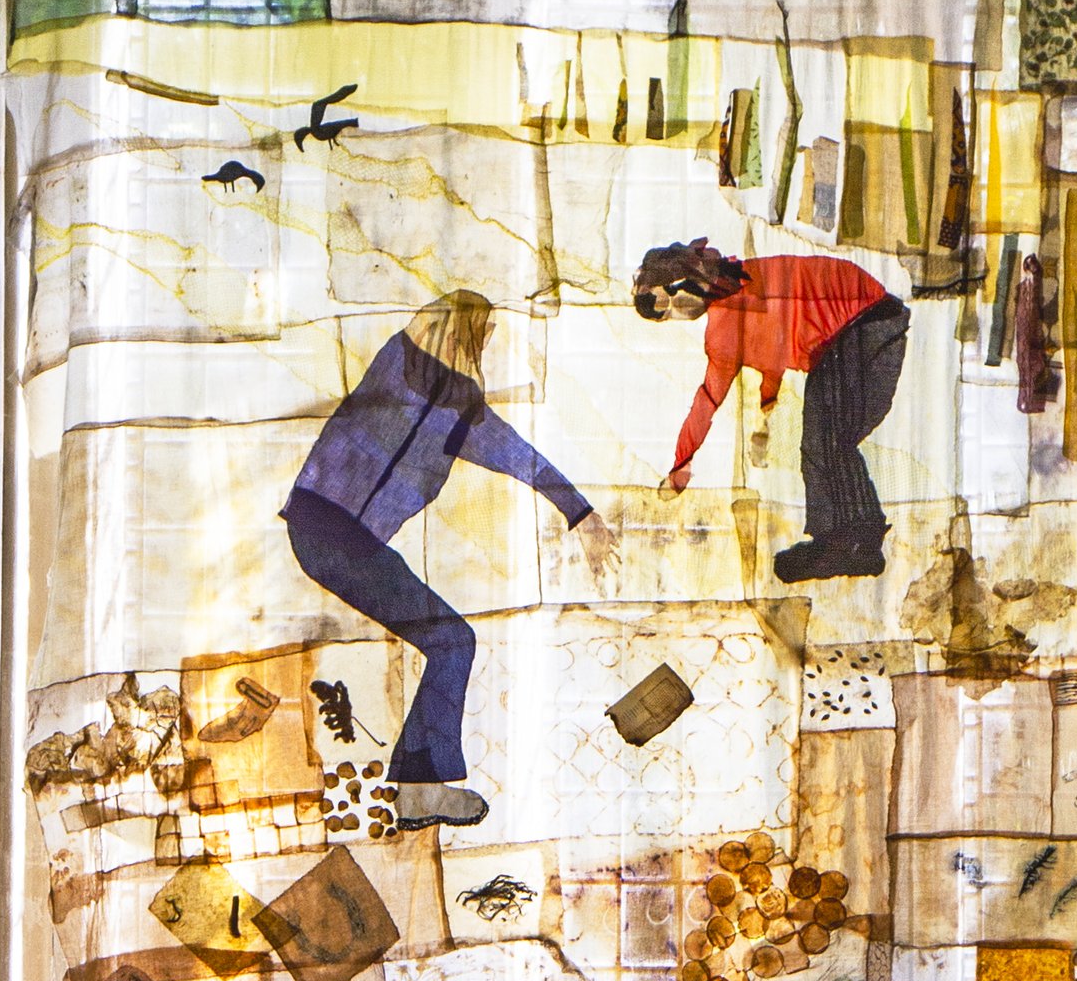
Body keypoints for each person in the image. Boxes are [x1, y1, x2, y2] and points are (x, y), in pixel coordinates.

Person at [284, 292, 616, 827]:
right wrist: (580, 512)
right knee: (452, 640)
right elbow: (512, 450)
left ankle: (419, 786)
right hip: (336, 536)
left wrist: (578, 512)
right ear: (466, 335)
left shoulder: (403, 366)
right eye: (481, 335)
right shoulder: (442, 398)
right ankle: (418, 791)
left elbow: (506, 446)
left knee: (449, 639)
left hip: (321, 528)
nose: (485, 346)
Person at [634, 237, 908, 582]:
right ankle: (850, 542)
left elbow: (707, 400)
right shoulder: (742, 279)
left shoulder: (724, 325)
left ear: (679, 287)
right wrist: (764, 414)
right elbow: (772, 349)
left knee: (825, 442)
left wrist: (679, 467)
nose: (677, 317)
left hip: (860, 325)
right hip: (873, 318)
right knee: (829, 441)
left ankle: (850, 546)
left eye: (669, 309)